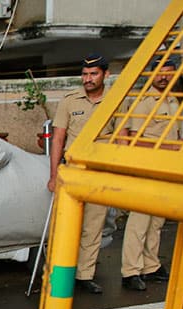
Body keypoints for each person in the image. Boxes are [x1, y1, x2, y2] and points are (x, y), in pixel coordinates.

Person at [47, 54, 115, 295]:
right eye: (85, 74)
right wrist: (54, 175)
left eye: (93, 74)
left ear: (105, 75)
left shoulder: (116, 100)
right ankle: (57, 272)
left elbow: (123, 138)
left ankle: (84, 275)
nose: (88, 79)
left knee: (93, 227)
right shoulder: (69, 101)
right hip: (73, 170)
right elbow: (58, 139)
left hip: (99, 172)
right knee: (64, 224)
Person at [118, 57, 180, 291]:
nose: (164, 76)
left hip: (167, 169)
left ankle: (150, 265)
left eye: (169, 73)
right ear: (152, 75)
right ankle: (130, 270)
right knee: (139, 222)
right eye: (160, 72)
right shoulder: (143, 102)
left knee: (156, 222)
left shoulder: (175, 102)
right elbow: (135, 139)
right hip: (146, 168)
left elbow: (180, 137)